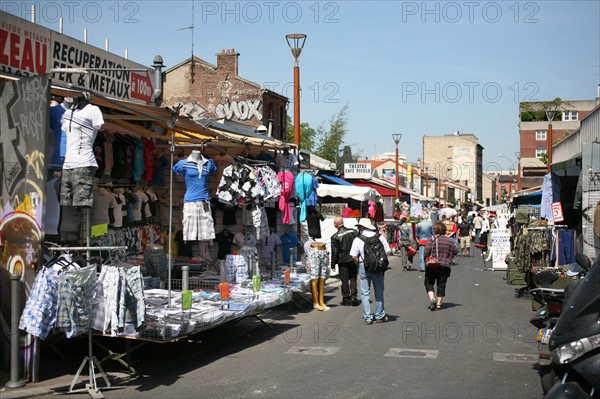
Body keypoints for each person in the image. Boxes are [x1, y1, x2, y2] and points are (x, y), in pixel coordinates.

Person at [350, 218, 391, 324]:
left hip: (364, 266)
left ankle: (368, 317)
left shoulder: (358, 239)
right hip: (378, 267)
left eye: (359, 227)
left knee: (365, 293)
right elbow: (388, 251)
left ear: (362, 227)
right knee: (379, 292)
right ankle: (379, 315)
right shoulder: (379, 237)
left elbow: (354, 256)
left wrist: (359, 265)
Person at [423, 222, 458, 311]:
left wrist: (426, 259)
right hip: (445, 265)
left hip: (432, 265)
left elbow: (426, 252)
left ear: (434, 230)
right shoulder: (449, 240)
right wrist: (449, 257)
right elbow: (455, 250)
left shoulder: (432, 239)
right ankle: (439, 304)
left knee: (429, 282)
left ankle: (432, 299)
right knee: (441, 284)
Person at [330, 216, 359, 306]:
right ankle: (354, 297)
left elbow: (335, 252)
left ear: (336, 224)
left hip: (342, 260)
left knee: (344, 280)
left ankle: (346, 298)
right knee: (353, 277)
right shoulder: (353, 231)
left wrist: (333, 264)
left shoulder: (335, 237)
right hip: (352, 258)